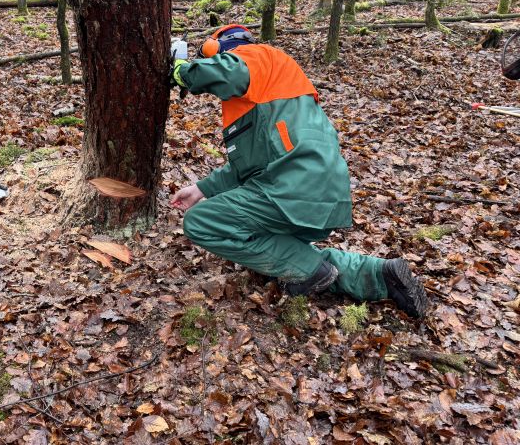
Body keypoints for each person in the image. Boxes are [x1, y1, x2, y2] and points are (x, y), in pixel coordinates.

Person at [169, 24, 428, 318]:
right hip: (321, 197)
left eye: (209, 57)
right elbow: (249, 165)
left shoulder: (258, 56)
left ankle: (309, 270)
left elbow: (224, 72)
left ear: (220, 50)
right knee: (282, 251)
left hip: (292, 190)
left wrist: (182, 70)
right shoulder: (270, 94)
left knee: (202, 221)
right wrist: (201, 188)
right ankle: (380, 275)